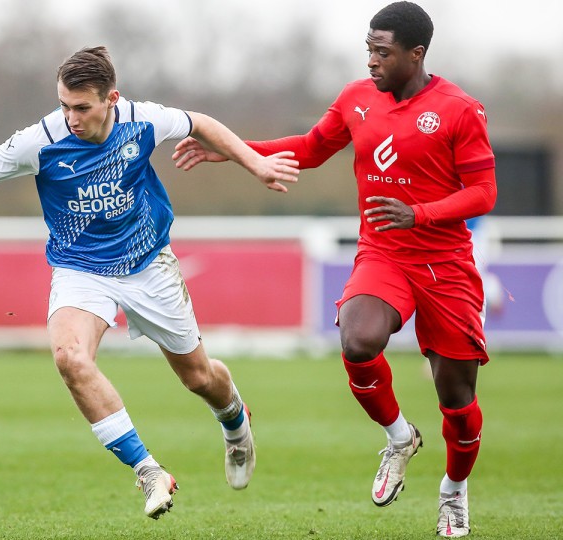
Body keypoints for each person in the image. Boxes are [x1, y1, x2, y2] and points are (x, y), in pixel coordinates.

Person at [0, 46, 300, 519]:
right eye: (64, 105)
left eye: (82, 107)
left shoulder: (143, 120)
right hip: (81, 270)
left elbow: (199, 121)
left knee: (199, 378)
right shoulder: (38, 141)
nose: (71, 118)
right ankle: (147, 471)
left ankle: (235, 422)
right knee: (69, 358)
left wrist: (255, 162)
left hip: (149, 264)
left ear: (111, 99)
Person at [172, 2, 495, 536]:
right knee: (357, 340)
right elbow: (312, 148)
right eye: (368, 48)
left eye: (382, 52)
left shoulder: (460, 109)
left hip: (446, 264)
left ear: (416, 55)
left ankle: (454, 492)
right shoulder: (356, 98)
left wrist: (420, 213)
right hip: (384, 253)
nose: (371, 60)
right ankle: (398, 438)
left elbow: (485, 192)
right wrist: (236, 152)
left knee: (457, 403)